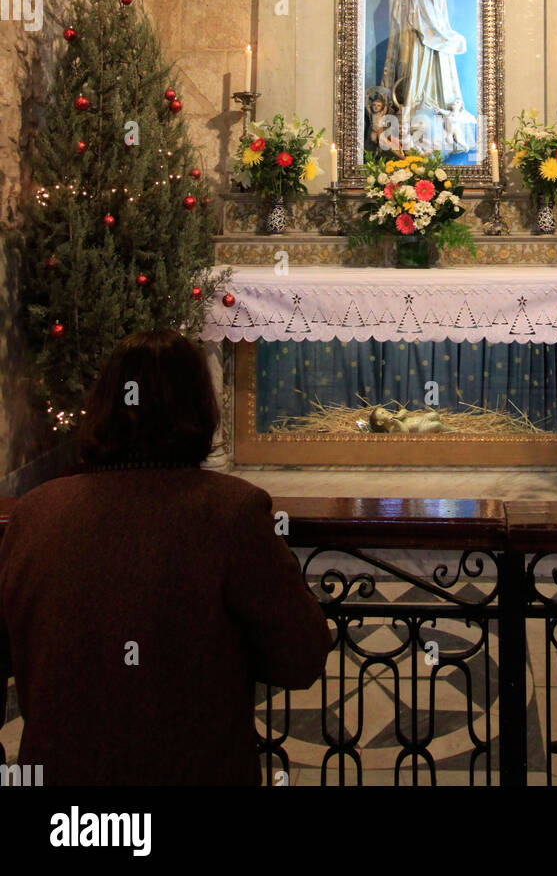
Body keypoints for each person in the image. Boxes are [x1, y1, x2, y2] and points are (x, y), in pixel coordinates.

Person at [0, 329, 331, 786]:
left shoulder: (34, 513)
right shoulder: (231, 513)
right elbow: (302, 656)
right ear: (201, 410)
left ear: (102, 407)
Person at [380, 0, 475, 157]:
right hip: (409, 35)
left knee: (429, 67)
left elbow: (439, 5)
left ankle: (427, 101)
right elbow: (394, 5)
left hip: (429, 37)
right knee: (408, 68)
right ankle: (409, 107)